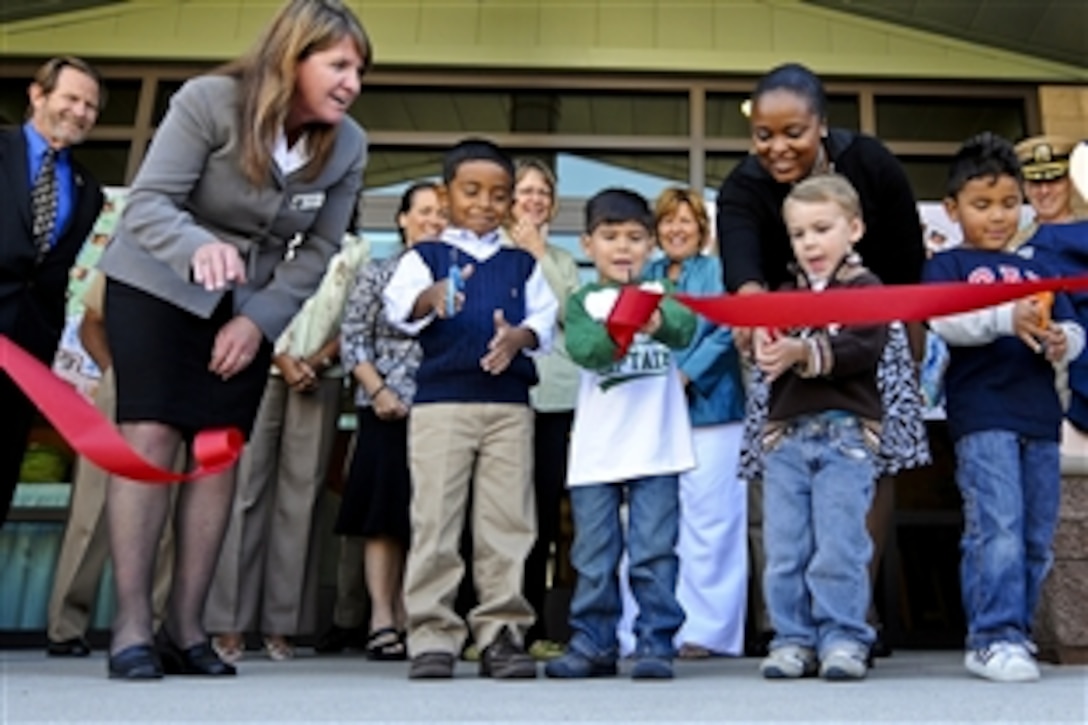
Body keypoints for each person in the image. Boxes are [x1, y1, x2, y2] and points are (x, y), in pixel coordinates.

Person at [94, 0, 370, 680]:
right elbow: (151, 201)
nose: (352, 82)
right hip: (157, 282)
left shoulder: (349, 143)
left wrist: (259, 320)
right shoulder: (209, 102)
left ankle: (186, 628)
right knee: (152, 435)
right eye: (338, 65)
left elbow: (321, 248)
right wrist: (198, 248)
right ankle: (131, 625)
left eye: (360, 69)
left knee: (217, 452)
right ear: (292, 58)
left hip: (247, 303)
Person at [716, 61, 929, 655]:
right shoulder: (743, 188)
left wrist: (911, 332)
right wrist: (760, 327)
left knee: (872, 465)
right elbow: (744, 274)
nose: (778, 147)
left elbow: (908, 259)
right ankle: (789, 625)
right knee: (782, 480)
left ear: (823, 127)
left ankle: (853, 613)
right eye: (764, 134)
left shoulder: (872, 163)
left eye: (794, 133)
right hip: (780, 339)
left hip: (872, 322)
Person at [383, 138, 557, 680]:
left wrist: (519, 337)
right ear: (445, 194)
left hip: (508, 408)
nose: (485, 203)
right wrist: (430, 297)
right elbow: (398, 311)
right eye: (471, 191)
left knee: (507, 521)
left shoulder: (519, 264)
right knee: (435, 518)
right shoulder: (425, 257)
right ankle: (432, 634)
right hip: (441, 406)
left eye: (498, 195)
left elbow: (545, 322)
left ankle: (501, 632)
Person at [924, 132, 1084, 683]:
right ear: (953, 209)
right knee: (998, 526)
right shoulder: (948, 266)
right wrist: (1003, 319)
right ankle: (993, 637)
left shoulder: (1038, 266)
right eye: (982, 204)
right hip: (982, 414)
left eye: (1009, 204)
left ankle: (1015, 630)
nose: (997, 217)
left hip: (1040, 416)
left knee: (1036, 534)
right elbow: (944, 323)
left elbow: (1072, 327)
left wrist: (1064, 339)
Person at [545, 188, 696, 681]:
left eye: (634, 237)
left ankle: (655, 641)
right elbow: (588, 350)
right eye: (610, 237)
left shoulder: (664, 296)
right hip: (596, 454)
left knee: (653, 552)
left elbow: (683, 328)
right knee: (594, 555)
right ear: (588, 244)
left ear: (651, 245)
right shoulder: (581, 301)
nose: (623, 247)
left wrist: (655, 318)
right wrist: (625, 326)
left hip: (658, 449)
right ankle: (593, 643)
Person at [206, 231, 369, 663]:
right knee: (244, 493)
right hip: (257, 365)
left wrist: (314, 361)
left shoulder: (355, 249)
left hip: (322, 374)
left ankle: (284, 625)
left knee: (301, 499)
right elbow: (245, 299)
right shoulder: (267, 231)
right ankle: (229, 623)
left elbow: (354, 317)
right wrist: (280, 357)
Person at [754, 174, 887, 682]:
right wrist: (766, 349)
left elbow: (862, 347)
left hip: (847, 438)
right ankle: (791, 639)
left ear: (854, 228)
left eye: (821, 228)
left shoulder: (867, 289)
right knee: (785, 548)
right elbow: (771, 354)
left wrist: (800, 353)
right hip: (787, 439)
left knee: (839, 546)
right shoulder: (783, 295)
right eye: (798, 233)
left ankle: (844, 638)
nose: (809, 242)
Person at [618, 187, 747, 659]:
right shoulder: (645, 275)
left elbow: (728, 330)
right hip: (650, 415)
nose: (676, 230)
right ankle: (645, 631)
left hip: (712, 411)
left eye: (685, 221)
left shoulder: (718, 272)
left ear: (702, 229)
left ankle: (705, 633)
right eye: (667, 221)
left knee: (711, 523)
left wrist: (687, 373)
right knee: (647, 524)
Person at [333, 182, 444, 660]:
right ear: (402, 219)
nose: (434, 220)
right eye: (424, 212)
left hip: (441, 409)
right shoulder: (379, 272)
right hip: (384, 406)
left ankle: (413, 615)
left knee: (428, 518)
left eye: (442, 213)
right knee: (383, 516)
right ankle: (381, 618)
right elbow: (352, 336)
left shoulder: (458, 274)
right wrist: (377, 390)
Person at [46, 273, 178, 657]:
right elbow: (91, 323)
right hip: (125, 380)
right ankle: (65, 625)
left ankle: (150, 624)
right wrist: (113, 372)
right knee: (93, 506)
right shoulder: (130, 251)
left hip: (181, 385)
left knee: (167, 509)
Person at [0, 56, 104, 529]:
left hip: (25, 362)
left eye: (91, 106)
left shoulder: (89, 190)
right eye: (72, 98)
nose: (81, 112)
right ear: (37, 95)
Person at [508, 158, 582, 658]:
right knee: (497, 516)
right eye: (524, 191)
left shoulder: (563, 259)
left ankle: (534, 626)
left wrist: (539, 254)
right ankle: (490, 624)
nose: (534, 200)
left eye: (542, 193)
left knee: (542, 517)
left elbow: (575, 318)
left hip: (555, 400)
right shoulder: (490, 252)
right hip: (504, 399)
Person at [1010, 135, 1082, 248]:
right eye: (1036, 183)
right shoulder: (1014, 247)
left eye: (1054, 181)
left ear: (1071, 182)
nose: (1044, 191)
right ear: (1024, 187)